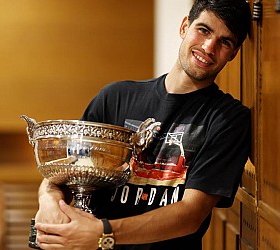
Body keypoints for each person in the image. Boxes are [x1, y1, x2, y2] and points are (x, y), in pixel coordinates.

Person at [34, 0, 252, 249]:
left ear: (234, 53)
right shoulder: (115, 97)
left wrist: (103, 233)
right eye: (203, 30)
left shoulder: (229, 119)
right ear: (184, 27)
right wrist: (49, 200)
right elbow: (66, 171)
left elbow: (191, 214)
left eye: (225, 42)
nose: (208, 47)